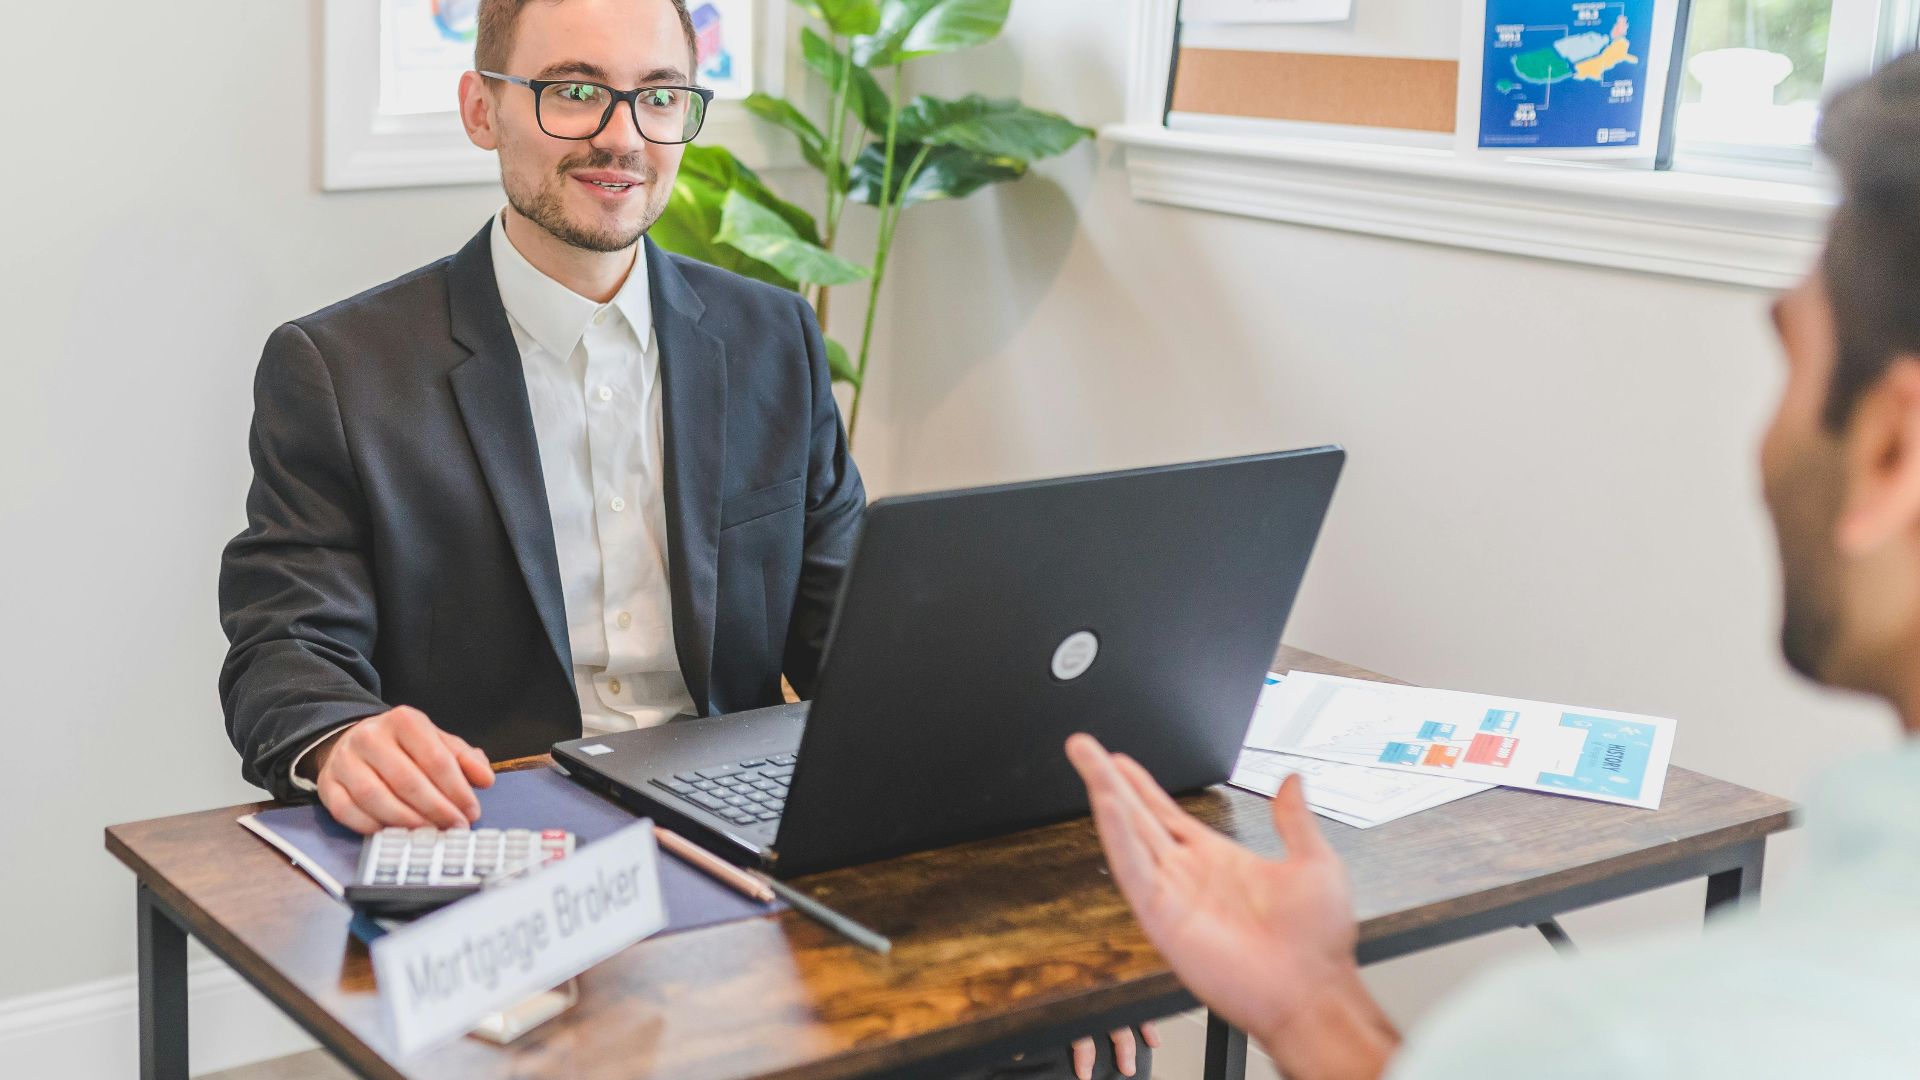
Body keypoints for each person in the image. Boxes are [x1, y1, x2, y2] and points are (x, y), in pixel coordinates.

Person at [220, 0, 1146, 1073]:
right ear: (483, 109)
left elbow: (857, 642)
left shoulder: (773, 337)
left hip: (744, 853)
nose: (624, 134)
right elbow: (283, 652)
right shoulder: (340, 370)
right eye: (574, 90)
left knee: (1044, 1038)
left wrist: (1041, 904)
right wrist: (343, 735)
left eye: (659, 95)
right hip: (509, 864)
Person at [1066, 53, 1920, 1080]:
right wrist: (1308, 1001)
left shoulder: (1601, 1045)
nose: (1765, 437)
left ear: (1891, 452)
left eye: (1790, 359)